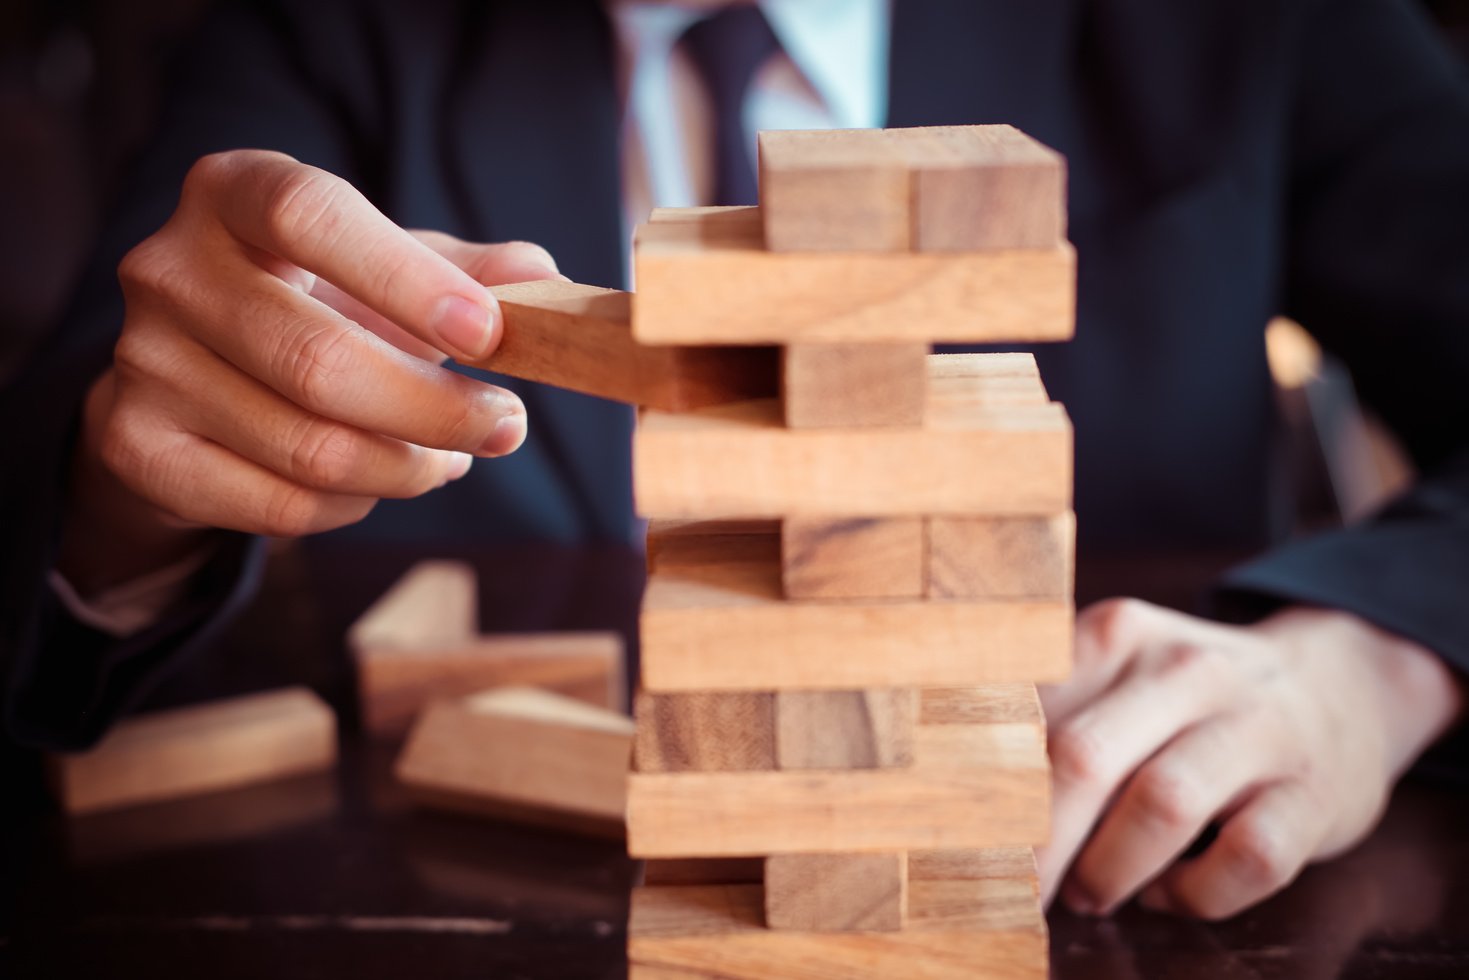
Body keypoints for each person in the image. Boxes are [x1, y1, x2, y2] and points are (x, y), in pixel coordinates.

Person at [1, 0, 1466, 923]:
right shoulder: (313, 33)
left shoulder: (1276, 23)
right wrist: (121, 500)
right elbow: (87, 436)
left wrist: (1382, 654)